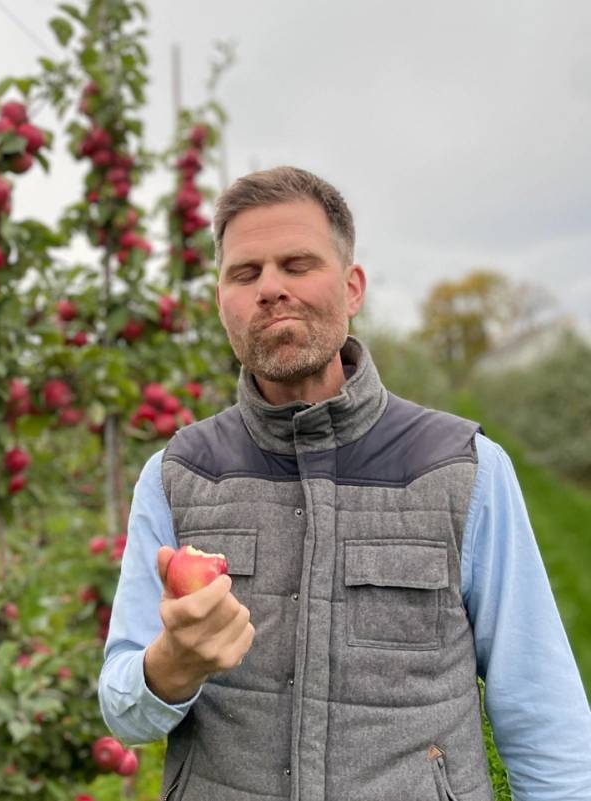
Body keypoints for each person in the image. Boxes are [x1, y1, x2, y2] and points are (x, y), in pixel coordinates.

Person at [99, 166, 591, 801]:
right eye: (245, 274)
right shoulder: (178, 475)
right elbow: (123, 709)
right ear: (219, 302)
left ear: (353, 287)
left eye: (298, 264)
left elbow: (541, 712)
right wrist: (172, 666)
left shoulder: (461, 469)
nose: (270, 288)